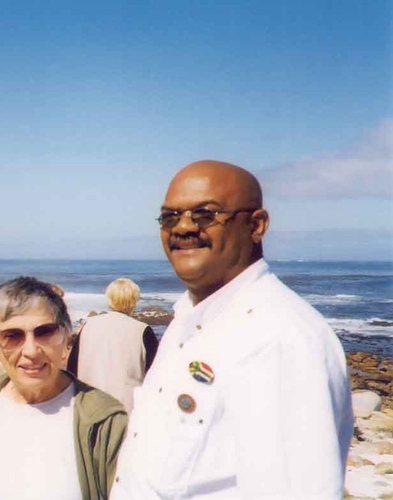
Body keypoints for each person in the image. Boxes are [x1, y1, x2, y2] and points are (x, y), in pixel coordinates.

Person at [110, 160, 353, 499]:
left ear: (256, 225)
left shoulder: (280, 336)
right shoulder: (188, 321)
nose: (182, 228)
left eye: (205, 215)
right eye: (170, 217)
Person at [0, 277, 128, 500]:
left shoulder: (106, 421)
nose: (31, 351)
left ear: (67, 339)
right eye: (12, 336)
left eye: (44, 332)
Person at [68, 278, 159, 413]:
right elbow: (155, 375)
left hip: (89, 407)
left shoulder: (87, 325)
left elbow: (72, 368)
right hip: (126, 409)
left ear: (109, 298)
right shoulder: (142, 330)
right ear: (134, 300)